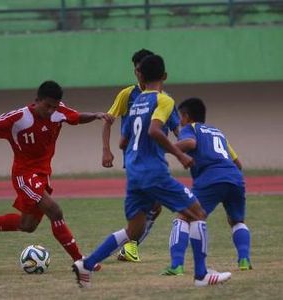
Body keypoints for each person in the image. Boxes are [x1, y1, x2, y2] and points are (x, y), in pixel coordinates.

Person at [72, 55, 231, 288]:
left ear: (141, 77)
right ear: (164, 76)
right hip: (153, 172)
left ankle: (87, 264)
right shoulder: (163, 100)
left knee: (133, 230)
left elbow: (123, 142)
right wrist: (179, 154)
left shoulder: (135, 103)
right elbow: (155, 131)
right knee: (197, 212)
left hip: (134, 173)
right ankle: (201, 275)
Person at [0, 80, 112, 266]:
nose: (50, 111)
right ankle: (81, 261)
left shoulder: (58, 111)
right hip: (24, 175)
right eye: (47, 106)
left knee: (28, 225)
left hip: (43, 175)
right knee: (55, 211)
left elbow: (77, 117)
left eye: (54, 107)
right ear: (36, 100)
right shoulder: (18, 118)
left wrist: (95, 115)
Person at [102, 49, 180, 262]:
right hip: (138, 160)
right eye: (136, 69)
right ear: (135, 71)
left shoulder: (164, 99)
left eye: (141, 69)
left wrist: (188, 147)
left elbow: (177, 128)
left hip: (153, 159)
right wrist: (106, 149)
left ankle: (118, 250)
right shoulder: (128, 94)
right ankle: (128, 247)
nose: (138, 73)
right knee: (169, 207)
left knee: (152, 207)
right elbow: (109, 120)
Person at [161, 97, 251, 276]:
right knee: (236, 221)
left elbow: (190, 143)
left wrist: (163, 148)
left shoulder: (190, 129)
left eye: (180, 117)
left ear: (186, 116)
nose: (180, 121)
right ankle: (244, 260)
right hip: (234, 177)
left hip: (210, 178)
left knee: (184, 217)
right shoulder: (217, 132)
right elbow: (238, 163)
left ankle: (177, 265)